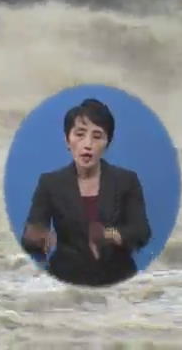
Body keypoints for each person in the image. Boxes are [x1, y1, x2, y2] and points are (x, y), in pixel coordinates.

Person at [21, 99, 152, 286]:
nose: (88, 144)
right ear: (68, 140)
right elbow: (30, 235)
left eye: (97, 136)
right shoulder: (50, 183)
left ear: (107, 143)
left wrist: (108, 235)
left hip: (119, 282)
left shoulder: (126, 180)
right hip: (66, 284)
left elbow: (141, 232)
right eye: (80, 135)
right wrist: (39, 236)